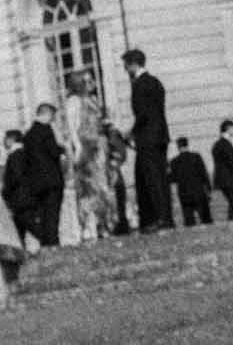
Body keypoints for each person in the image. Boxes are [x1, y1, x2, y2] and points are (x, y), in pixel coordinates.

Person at [122, 49, 172, 232]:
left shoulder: (139, 85)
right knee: (162, 177)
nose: (126, 70)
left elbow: (143, 114)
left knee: (153, 179)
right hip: (161, 136)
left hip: (147, 138)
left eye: (126, 66)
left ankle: (160, 218)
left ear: (134, 64)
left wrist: (130, 132)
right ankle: (167, 217)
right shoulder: (156, 82)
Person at [64, 70, 115, 241]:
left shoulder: (92, 100)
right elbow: (72, 128)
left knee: (102, 187)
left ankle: (103, 224)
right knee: (86, 188)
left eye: (91, 80)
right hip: (85, 148)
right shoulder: (73, 101)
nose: (91, 83)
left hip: (99, 146)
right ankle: (87, 226)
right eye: (86, 80)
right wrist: (78, 148)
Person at [18, 103, 65, 248]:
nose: (53, 120)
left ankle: (45, 243)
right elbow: (54, 152)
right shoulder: (46, 130)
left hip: (37, 183)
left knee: (43, 214)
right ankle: (53, 243)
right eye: (52, 117)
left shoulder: (28, 134)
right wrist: (62, 148)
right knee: (52, 214)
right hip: (52, 179)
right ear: (47, 114)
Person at [167, 136, 213, 226]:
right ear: (187, 144)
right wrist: (209, 189)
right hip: (199, 192)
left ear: (178, 147)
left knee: (189, 221)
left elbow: (173, 179)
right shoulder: (196, 156)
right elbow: (204, 174)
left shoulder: (174, 161)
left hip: (184, 194)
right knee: (206, 219)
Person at [211, 119, 233, 221]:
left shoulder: (218, 144)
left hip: (225, 180)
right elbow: (231, 162)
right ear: (228, 129)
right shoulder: (225, 144)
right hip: (230, 180)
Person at [2, 128, 28, 241]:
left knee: (19, 230)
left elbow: (16, 178)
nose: (3, 141)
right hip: (23, 198)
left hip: (18, 199)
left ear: (11, 139)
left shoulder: (15, 155)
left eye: (5, 138)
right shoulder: (23, 154)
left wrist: (5, 191)